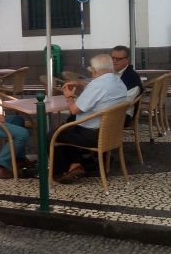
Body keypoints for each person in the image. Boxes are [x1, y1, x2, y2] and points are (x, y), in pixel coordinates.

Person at [54, 53, 129, 183]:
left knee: (54, 134)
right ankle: (75, 164)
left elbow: (74, 109)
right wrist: (79, 84)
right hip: (111, 133)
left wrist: (69, 96)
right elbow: (97, 90)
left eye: (91, 69)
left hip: (92, 135)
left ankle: (60, 172)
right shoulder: (118, 81)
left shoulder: (97, 85)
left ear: (95, 70)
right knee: (69, 125)